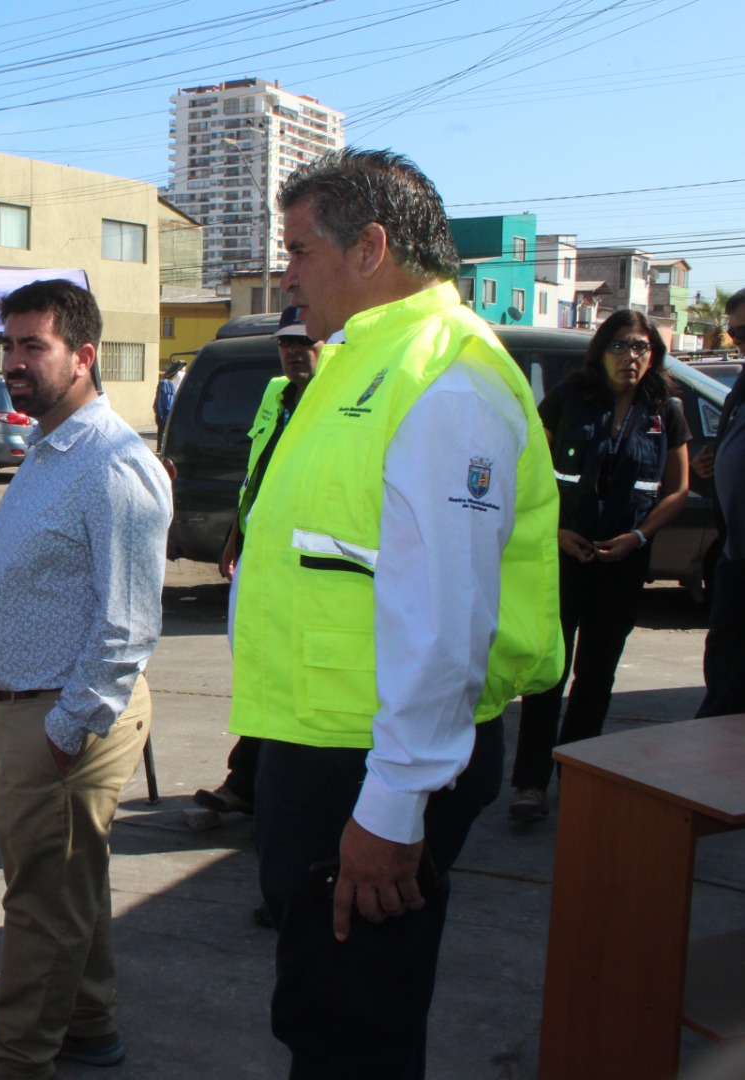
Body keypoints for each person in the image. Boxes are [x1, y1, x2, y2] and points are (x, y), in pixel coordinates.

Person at [228, 149, 563, 1079]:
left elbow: (449, 618)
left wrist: (393, 805)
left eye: (299, 248)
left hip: (373, 766)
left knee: (351, 1031)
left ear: (371, 247)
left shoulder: (445, 379)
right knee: (327, 1012)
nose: (286, 272)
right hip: (332, 745)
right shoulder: (362, 361)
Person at [0, 279, 171, 1080]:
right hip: (28, 708)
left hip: (64, 714)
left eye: (32, 346)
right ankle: (89, 1023)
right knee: (66, 885)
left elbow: (128, 624)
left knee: (41, 908)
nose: (14, 362)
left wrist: (68, 728)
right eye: (8, 345)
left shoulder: (114, 464)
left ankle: (18, 1062)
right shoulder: (51, 447)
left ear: (84, 356)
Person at [509, 311, 690, 822]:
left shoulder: (665, 410)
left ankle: (579, 775)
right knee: (549, 673)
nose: (629, 357)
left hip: (623, 562)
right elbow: (528, 473)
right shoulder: (568, 398)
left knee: (596, 675)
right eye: (619, 346)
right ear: (600, 350)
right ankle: (529, 785)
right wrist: (554, 530)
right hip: (564, 556)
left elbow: (678, 490)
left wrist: (638, 536)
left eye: (639, 348)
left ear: (651, 354)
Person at [197, 305, 319, 820]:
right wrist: (235, 531)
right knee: (257, 667)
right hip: (257, 551)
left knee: (286, 674)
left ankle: (253, 783)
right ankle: (251, 780)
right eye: (286, 344)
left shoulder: (337, 402)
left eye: (304, 343)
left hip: (304, 565)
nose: (294, 353)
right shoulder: (277, 394)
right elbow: (258, 470)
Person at [691, 287, 745, 718]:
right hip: (733, 552)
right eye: (734, 333)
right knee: (723, 653)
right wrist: (714, 462)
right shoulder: (740, 387)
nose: (739, 341)